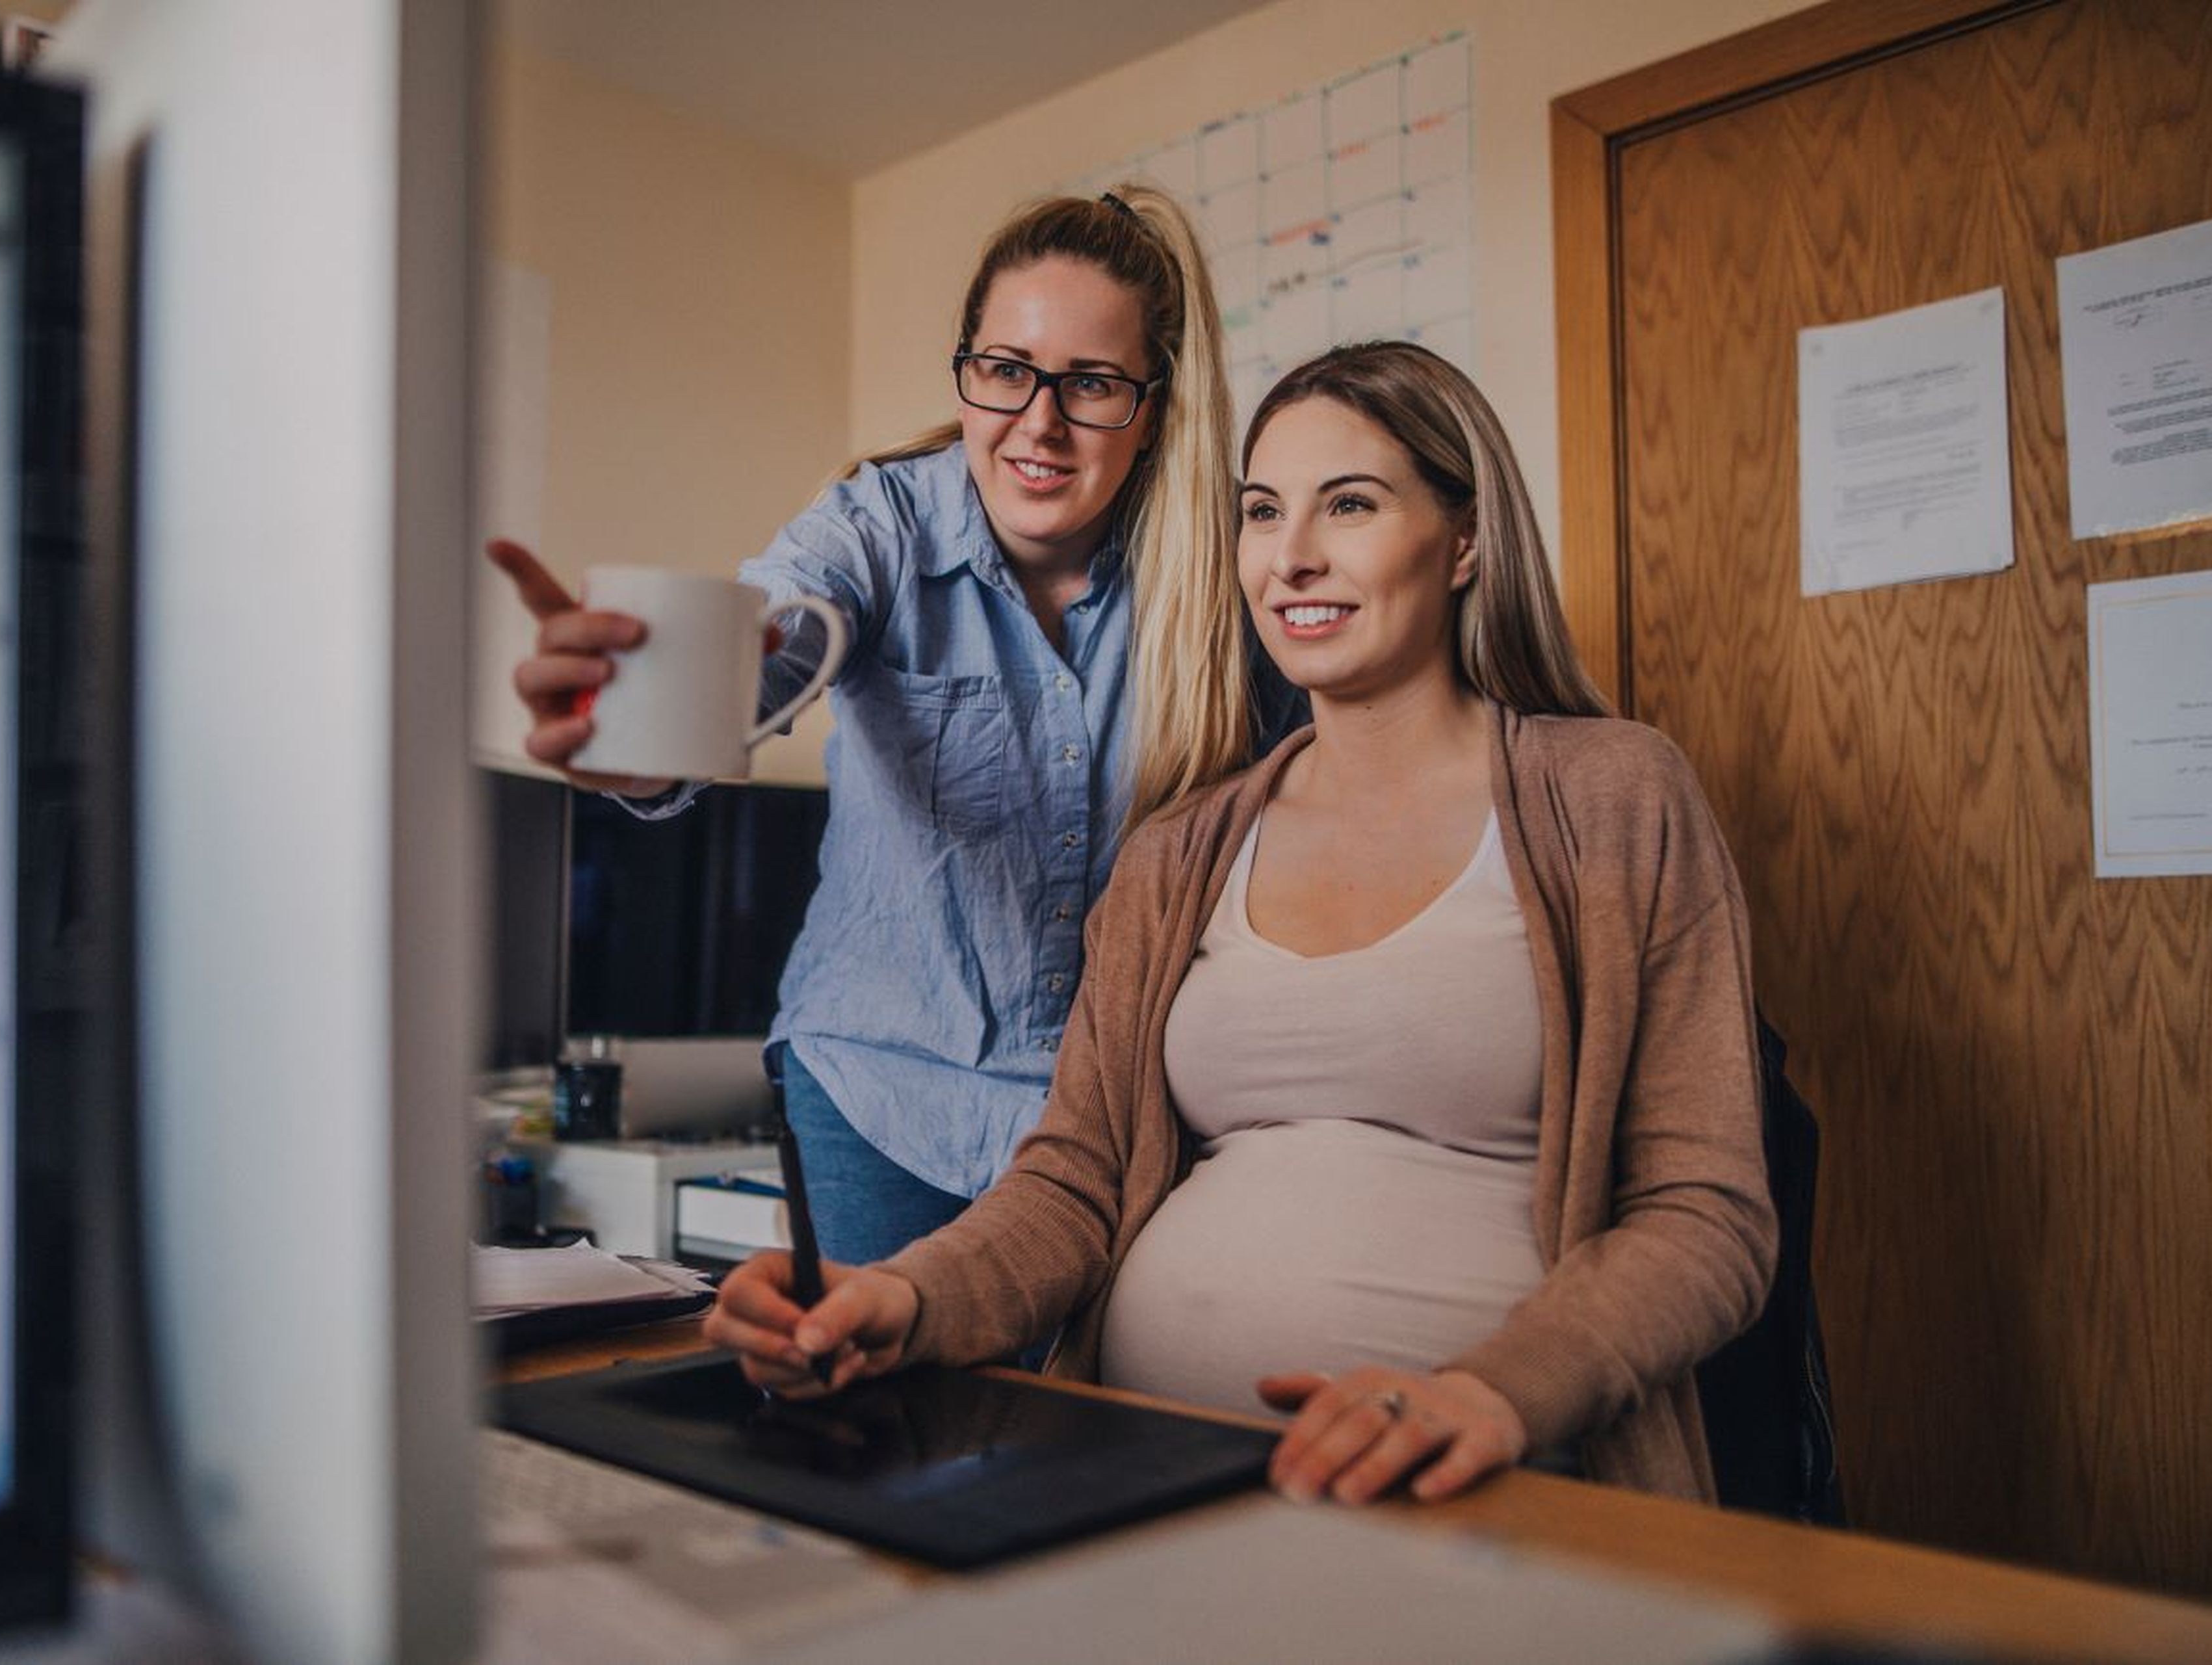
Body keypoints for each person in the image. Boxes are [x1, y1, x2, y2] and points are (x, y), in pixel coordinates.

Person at [704, 340, 1778, 1506]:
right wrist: (905, 1300)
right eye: (1261, 512)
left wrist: (1495, 1391)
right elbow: (1074, 1183)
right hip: (1152, 1484)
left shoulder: (1614, 795)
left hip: (1487, 1491)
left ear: (1464, 539)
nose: (1292, 556)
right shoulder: (1180, 847)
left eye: (1350, 504)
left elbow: (1705, 1213)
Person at [491, 185, 1297, 1265]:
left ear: (1152, 405)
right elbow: (776, 641)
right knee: (884, 1421)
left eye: (1093, 384)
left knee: (1085, 1427)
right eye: (1006, 370)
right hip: (882, 1096)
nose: (1039, 423)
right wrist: (643, 725)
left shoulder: (1216, 575)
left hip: (1121, 1117)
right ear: (966, 369)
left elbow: (1332, 787)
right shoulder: (875, 524)